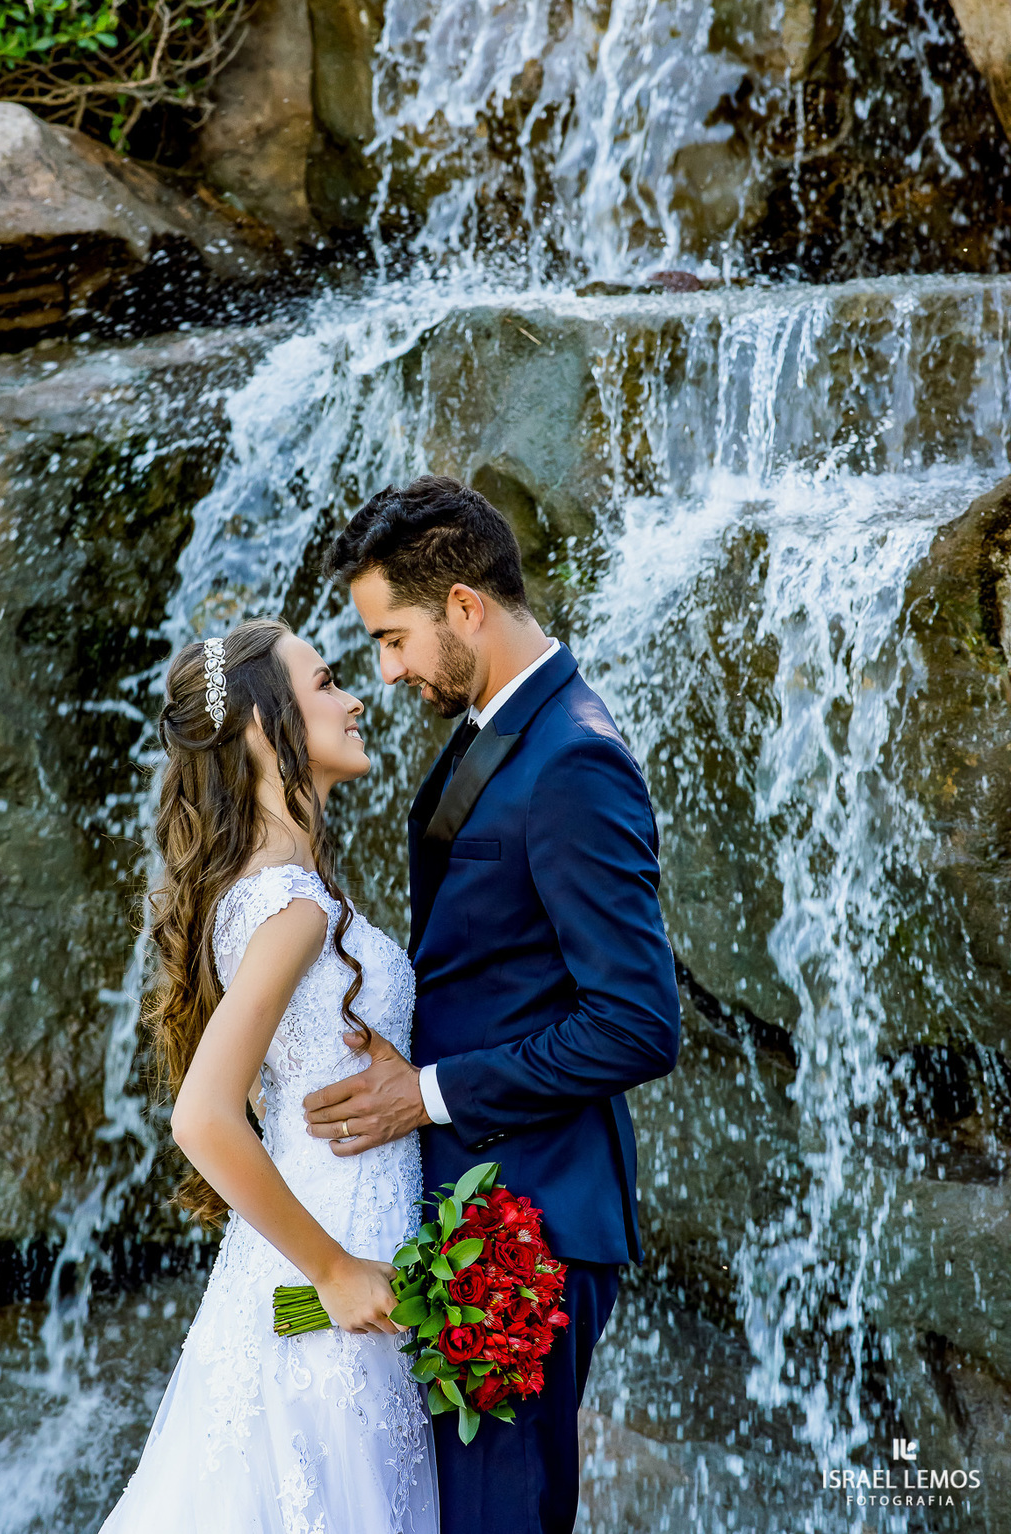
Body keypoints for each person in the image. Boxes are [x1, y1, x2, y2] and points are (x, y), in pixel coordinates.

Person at [304, 476, 682, 1534]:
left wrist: (424, 1093)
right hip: (468, 1207)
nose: (388, 671)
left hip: (524, 1235)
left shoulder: (576, 760)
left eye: (394, 637)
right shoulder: (497, 727)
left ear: (465, 606)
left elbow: (638, 1022)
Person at [100, 619, 438, 1534]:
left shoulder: (275, 885)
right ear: (262, 724)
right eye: (327, 682)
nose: (357, 696)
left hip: (335, 1250)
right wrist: (332, 1271)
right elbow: (203, 1116)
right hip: (328, 1277)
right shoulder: (287, 906)